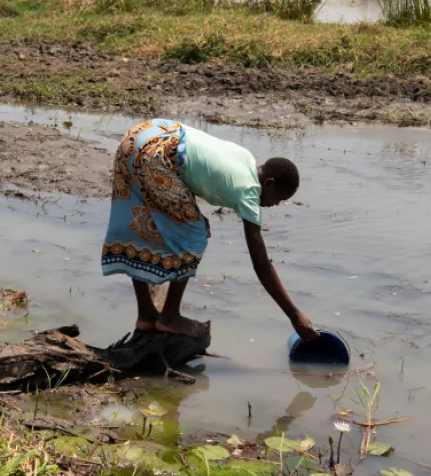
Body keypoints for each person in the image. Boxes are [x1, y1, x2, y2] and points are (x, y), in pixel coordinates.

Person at [102, 119, 319, 341]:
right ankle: (169, 317)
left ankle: (147, 315)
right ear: (269, 183)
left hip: (142, 135)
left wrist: (193, 212)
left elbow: (193, 168)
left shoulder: (245, 158)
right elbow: (261, 264)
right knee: (194, 235)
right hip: (156, 155)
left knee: (141, 224)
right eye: (279, 199)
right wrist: (294, 315)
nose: (276, 205)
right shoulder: (248, 192)